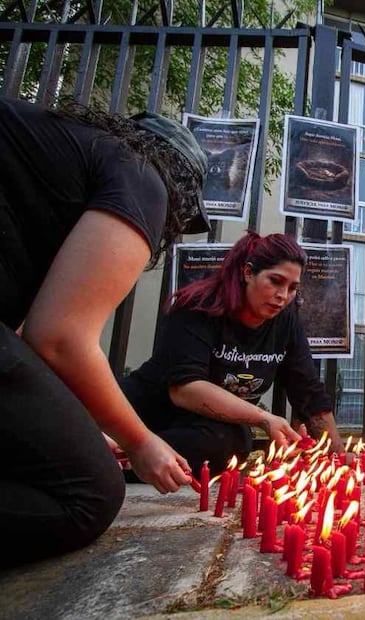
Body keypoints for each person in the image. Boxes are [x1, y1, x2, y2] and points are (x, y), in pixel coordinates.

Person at [0, 96, 212, 567]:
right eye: (180, 220)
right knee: (90, 493)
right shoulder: (144, 177)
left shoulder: (67, 158)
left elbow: (28, 341)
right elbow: (59, 338)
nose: (170, 230)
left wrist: (77, 425)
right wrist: (140, 441)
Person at [121, 231, 344, 477]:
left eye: (293, 288)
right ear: (248, 272)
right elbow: (185, 389)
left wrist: (338, 457)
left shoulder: (286, 321)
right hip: (144, 414)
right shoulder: (200, 306)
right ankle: (122, 456)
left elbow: (308, 391)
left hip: (204, 429)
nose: (283, 296)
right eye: (275, 281)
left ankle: (130, 461)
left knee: (233, 442)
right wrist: (263, 418)